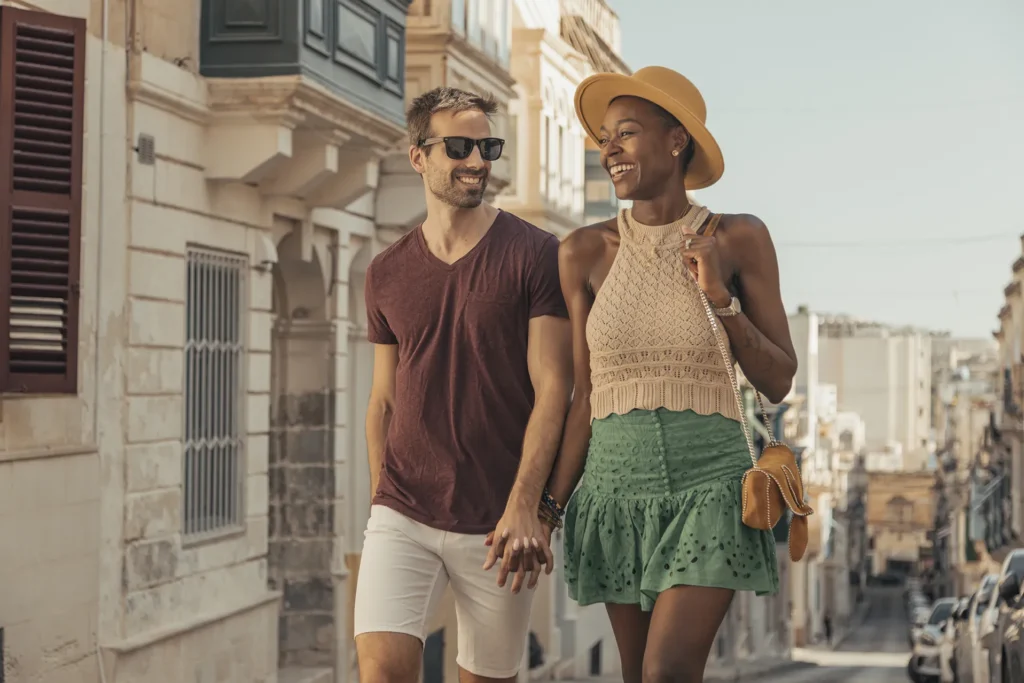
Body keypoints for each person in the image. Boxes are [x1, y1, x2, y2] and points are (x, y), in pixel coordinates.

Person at [541, 66, 798, 683]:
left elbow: (779, 379)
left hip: (710, 489)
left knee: (666, 672)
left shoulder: (737, 237)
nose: (609, 149)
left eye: (626, 133)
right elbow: (585, 398)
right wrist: (546, 510)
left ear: (676, 140)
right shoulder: (581, 252)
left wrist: (721, 301)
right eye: (604, 137)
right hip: (613, 497)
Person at [353, 86, 573, 683]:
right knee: (381, 672)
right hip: (402, 510)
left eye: (487, 148)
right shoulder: (386, 271)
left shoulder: (535, 254)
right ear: (418, 156)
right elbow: (383, 401)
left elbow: (554, 388)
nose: (477, 161)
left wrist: (528, 506)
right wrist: (380, 503)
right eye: (458, 147)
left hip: (498, 523)